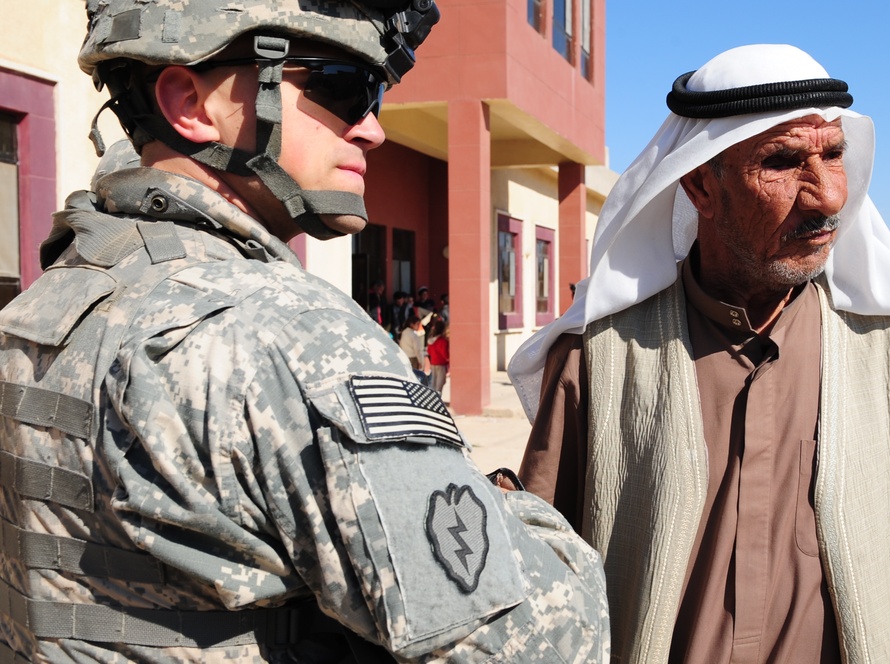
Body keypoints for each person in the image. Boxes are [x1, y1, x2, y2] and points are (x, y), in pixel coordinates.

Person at [0, 1, 610, 661]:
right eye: (341, 88)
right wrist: (515, 512)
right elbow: (544, 641)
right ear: (189, 103)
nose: (373, 129)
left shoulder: (41, 309)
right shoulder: (285, 331)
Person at [508, 44, 890, 663]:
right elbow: (541, 576)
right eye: (784, 161)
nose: (826, 197)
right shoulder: (600, 360)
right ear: (699, 186)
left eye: (833, 156)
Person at [399, 312, 429, 384]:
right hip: (413, 358)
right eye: (417, 324)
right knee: (415, 378)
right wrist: (420, 361)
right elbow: (417, 349)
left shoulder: (404, 332)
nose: (418, 326)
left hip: (405, 357)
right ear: (412, 324)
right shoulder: (413, 334)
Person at [426, 317, 450, 394]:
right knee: (440, 382)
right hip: (441, 363)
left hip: (433, 362)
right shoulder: (442, 341)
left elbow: (429, 351)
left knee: (434, 381)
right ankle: (438, 396)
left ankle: (433, 396)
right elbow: (444, 352)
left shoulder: (431, 340)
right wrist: (448, 358)